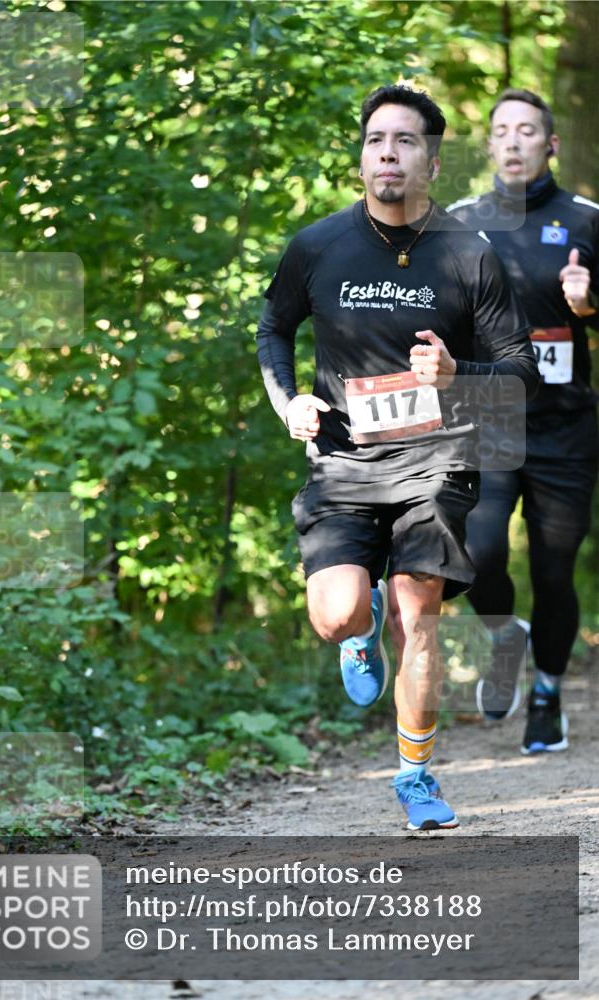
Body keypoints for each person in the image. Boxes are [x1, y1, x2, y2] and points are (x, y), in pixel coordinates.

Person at [256, 84, 539, 830]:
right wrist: (290, 401)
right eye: (376, 139)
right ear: (361, 157)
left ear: (432, 161)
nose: (387, 152)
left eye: (404, 141)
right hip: (343, 460)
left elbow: (517, 370)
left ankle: (415, 776)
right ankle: (358, 628)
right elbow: (273, 329)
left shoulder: (467, 255)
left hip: (436, 457)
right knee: (338, 613)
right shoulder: (317, 246)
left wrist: (458, 376)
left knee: (421, 614)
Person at [448, 89, 598, 754]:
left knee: (553, 571)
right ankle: (505, 634)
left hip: (563, 422)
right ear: (488, 145)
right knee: (476, 554)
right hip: (486, 412)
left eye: (527, 131)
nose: (512, 142)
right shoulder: (453, 221)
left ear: (550, 144)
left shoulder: (586, 219)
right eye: (501, 130)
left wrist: (587, 304)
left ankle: (545, 692)